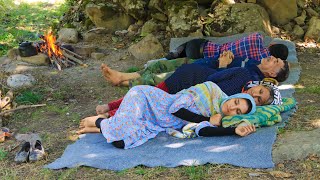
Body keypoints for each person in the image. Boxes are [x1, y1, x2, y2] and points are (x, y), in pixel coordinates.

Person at [77, 82, 257, 149]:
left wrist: (234, 131)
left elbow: (203, 131)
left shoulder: (218, 116)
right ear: (234, 97)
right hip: (145, 99)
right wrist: (206, 119)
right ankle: (100, 121)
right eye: (235, 103)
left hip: (155, 122)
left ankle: (100, 126)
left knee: (120, 142)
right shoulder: (210, 90)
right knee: (118, 131)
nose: (232, 109)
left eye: (237, 111)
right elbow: (175, 108)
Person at [165, 32, 289, 62]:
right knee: (186, 57)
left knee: (189, 45)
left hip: (203, 47)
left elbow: (258, 36)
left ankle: (172, 55)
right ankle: (175, 57)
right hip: (204, 60)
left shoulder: (257, 38)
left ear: (272, 45)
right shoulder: (260, 63)